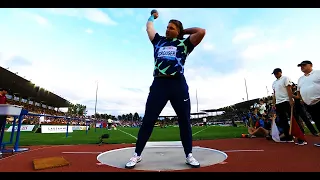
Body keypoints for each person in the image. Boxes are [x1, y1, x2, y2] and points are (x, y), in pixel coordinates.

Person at [125, 10, 206, 169]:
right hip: (159, 85)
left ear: (178, 32)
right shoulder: (158, 41)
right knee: (148, 120)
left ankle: (189, 155)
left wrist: (183, 32)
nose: (167, 29)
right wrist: (151, 17)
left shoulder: (185, 44)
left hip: (178, 84)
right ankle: (137, 155)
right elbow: (149, 28)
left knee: (184, 121)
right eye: (167, 27)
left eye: (171, 28)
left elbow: (201, 32)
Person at [296, 60, 320, 147]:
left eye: (304, 65)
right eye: (300, 66)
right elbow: (298, 92)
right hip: (308, 104)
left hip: (318, 101)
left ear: (311, 65)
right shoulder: (300, 79)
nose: (302, 67)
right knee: (317, 121)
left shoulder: (317, 73)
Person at [271, 68, 296, 143]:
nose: (276, 75)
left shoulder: (285, 78)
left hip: (286, 100)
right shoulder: (274, 83)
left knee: (293, 118)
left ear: (280, 72)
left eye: (277, 73)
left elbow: (289, 89)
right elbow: (274, 94)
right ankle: (288, 136)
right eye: (274, 74)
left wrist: (291, 99)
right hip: (279, 103)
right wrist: (273, 103)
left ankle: (298, 134)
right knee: (283, 120)